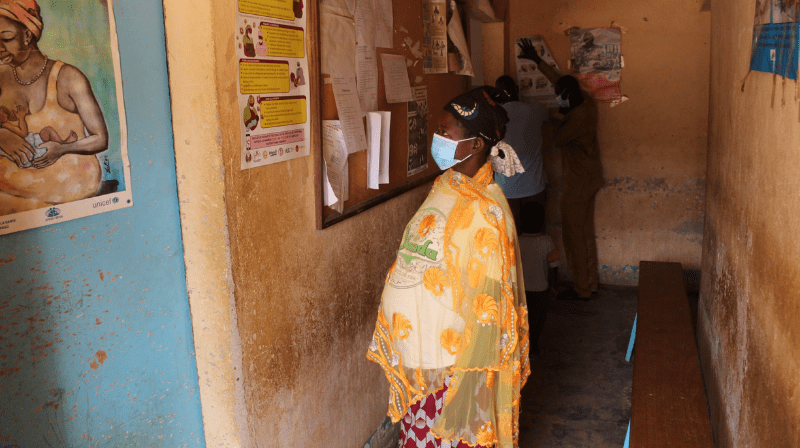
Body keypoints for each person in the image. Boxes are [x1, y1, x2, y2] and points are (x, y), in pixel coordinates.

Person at [367, 88, 530, 448]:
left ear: (474, 145)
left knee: (447, 439)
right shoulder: (445, 185)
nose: (436, 139)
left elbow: (490, 310)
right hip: (422, 361)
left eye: (446, 132)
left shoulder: (487, 213)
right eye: (437, 130)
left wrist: (465, 384)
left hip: (452, 369)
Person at [0, 0, 109, 215]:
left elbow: (101, 138)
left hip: (67, 181)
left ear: (27, 35)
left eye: (6, 39)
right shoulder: (2, 76)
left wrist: (62, 149)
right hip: (14, 180)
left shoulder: (68, 77)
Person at [517, 37, 604, 301]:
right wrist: (537, 60)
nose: (556, 96)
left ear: (567, 99)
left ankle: (581, 289)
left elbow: (557, 138)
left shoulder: (577, 118)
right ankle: (590, 283)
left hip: (578, 183)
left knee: (573, 236)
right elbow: (561, 81)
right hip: (591, 178)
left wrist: (554, 118)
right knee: (585, 233)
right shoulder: (585, 101)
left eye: (559, 97)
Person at [492, 75, 548, 232]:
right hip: (534, 187)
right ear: (516, 90)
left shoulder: (495, 118)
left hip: (506, 190)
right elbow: (549, 116)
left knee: (512, 238)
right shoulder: (535, 110)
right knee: (536, 237)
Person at [518, 202, 559, 355]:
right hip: (541, 289)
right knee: (538, 320)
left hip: (522, 289)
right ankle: (534, 345)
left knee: (523, 319)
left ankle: (523, 347)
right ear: (542, 223)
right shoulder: (546, 241)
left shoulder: (517, 241)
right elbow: (554, 266)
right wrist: (553, 287)